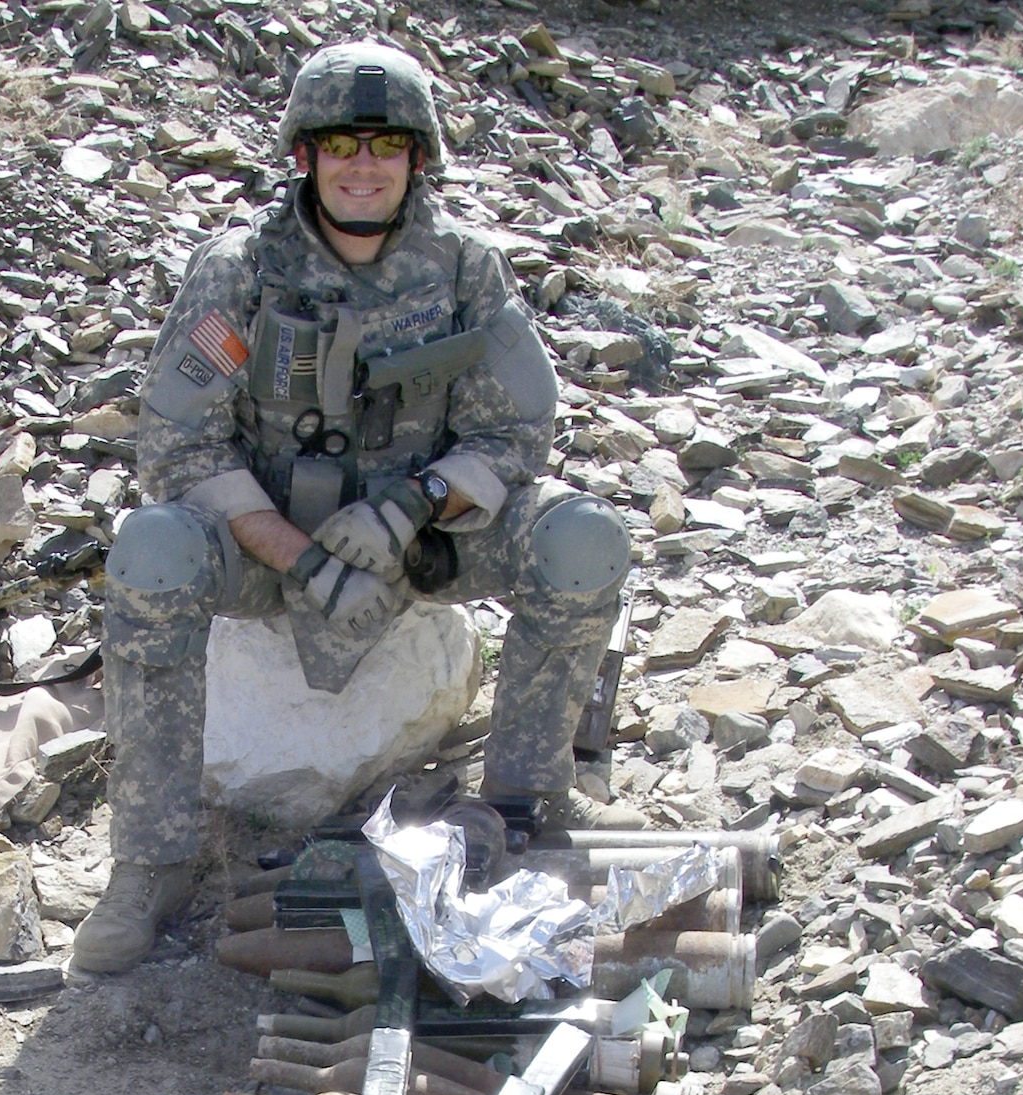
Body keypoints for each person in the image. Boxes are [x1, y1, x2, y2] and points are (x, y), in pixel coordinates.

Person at [73, 39, 641, 976]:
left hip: (426, 545)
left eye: (386, 145)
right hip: (271, 548)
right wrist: (297, 554)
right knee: (152, 552)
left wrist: (411, 507)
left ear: (419, 158)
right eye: (341, 145)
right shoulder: (240, 270)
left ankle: (521, 809)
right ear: (306, 156)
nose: (363, 165)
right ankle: (154, 858)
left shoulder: (465, 270)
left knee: (581, 538)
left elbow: (516, 436)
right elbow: (179, 445)